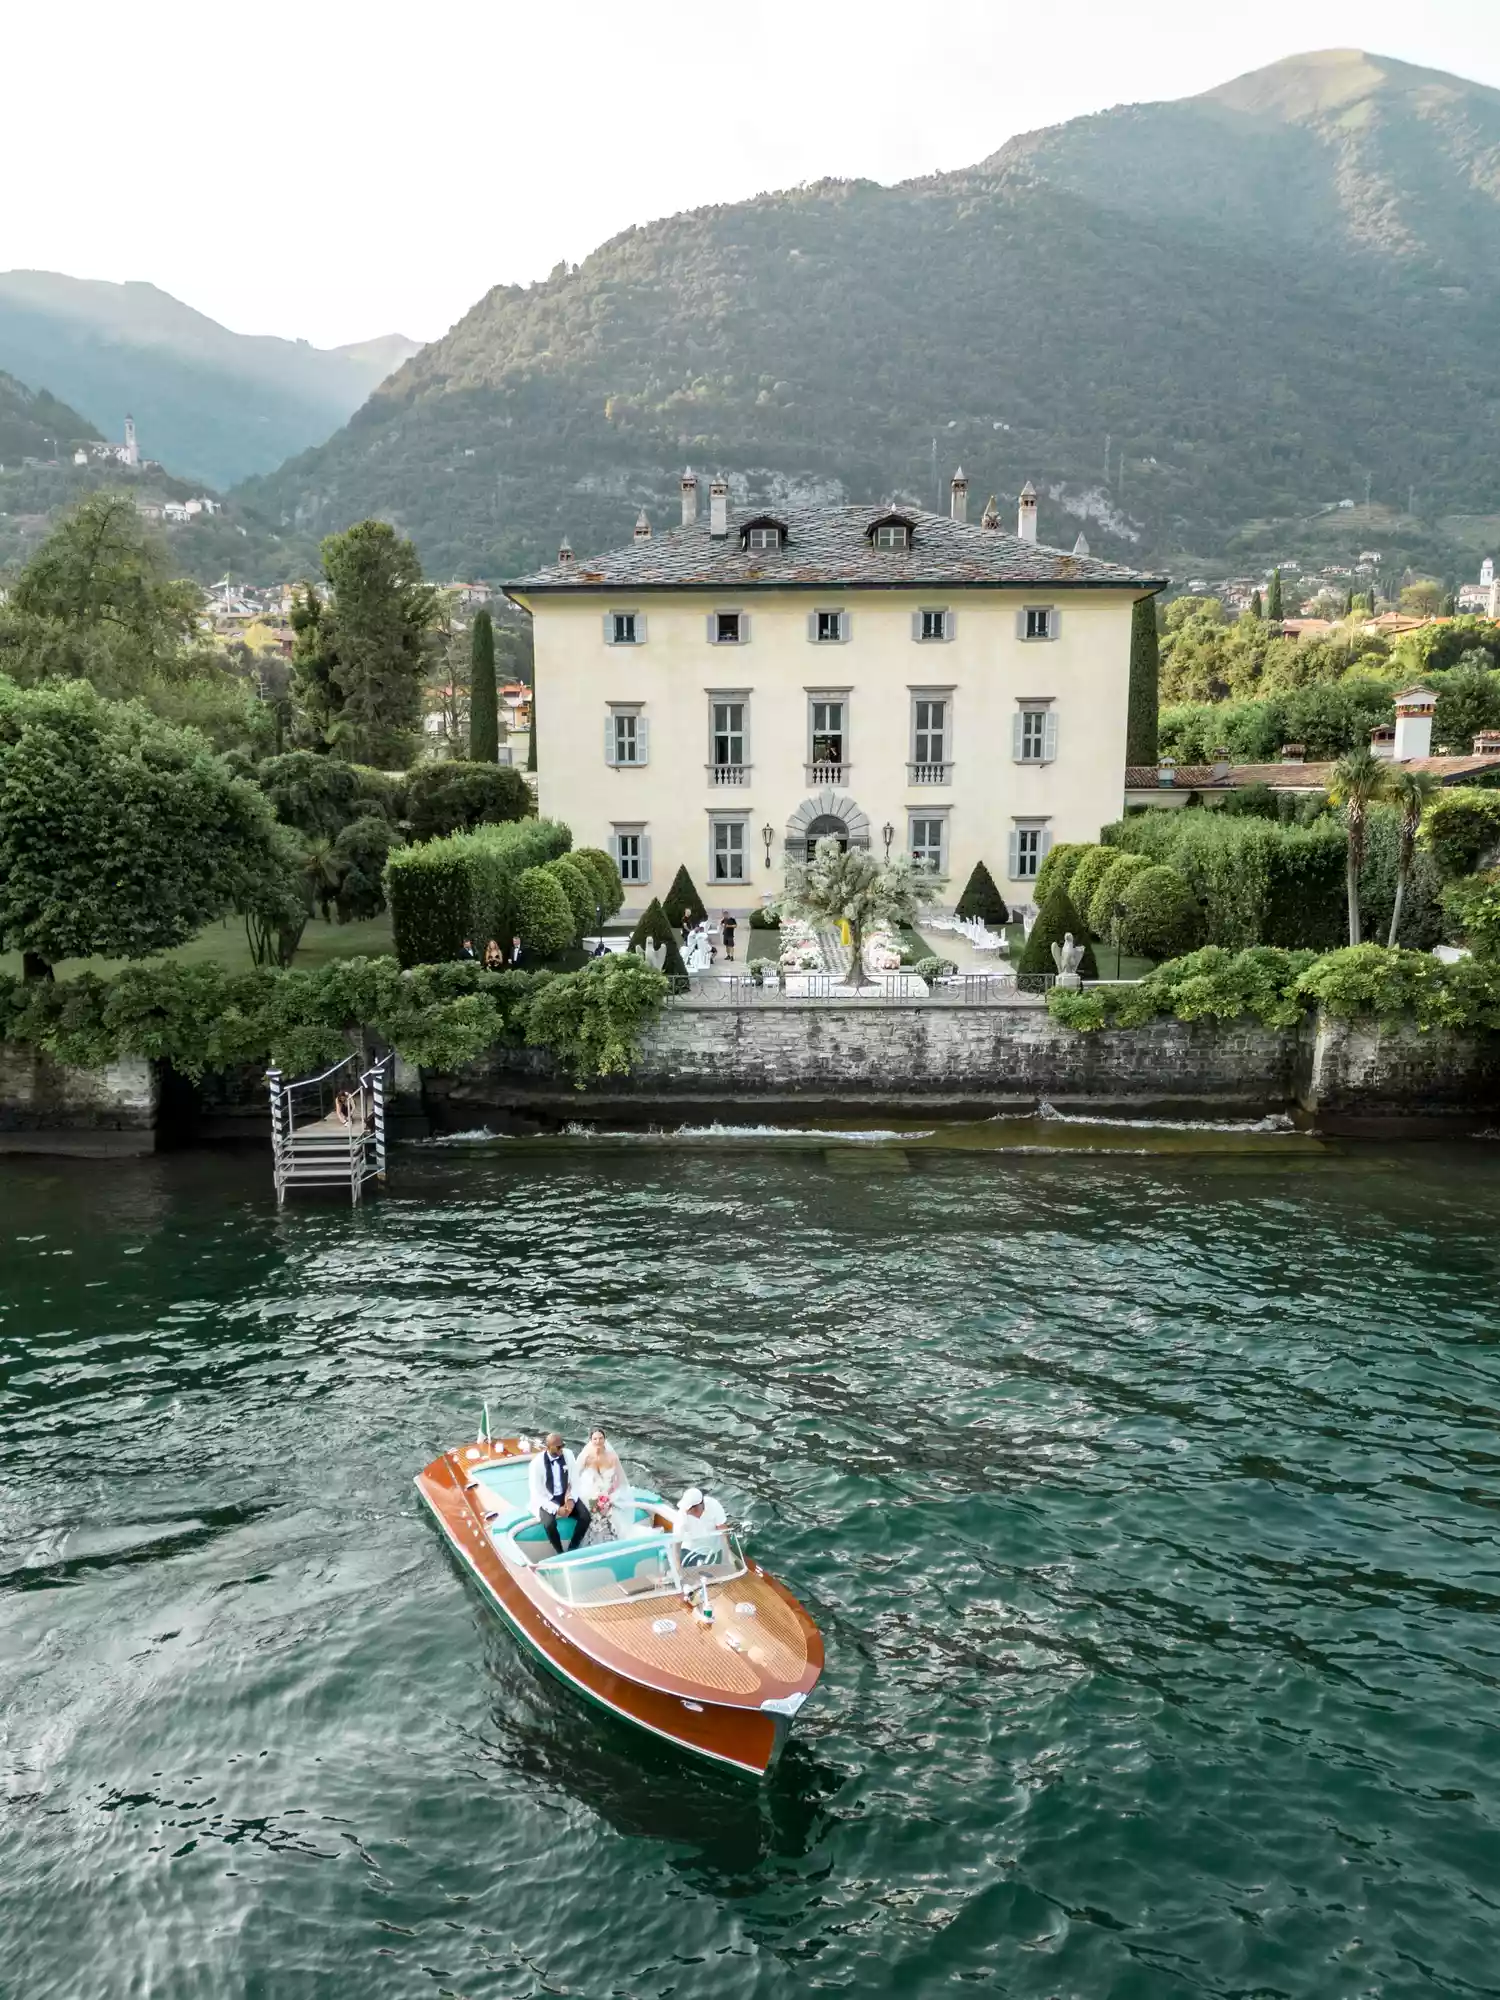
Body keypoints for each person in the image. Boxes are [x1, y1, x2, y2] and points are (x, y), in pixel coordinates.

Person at [527, 1432, 590, 1555]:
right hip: (547, 1499)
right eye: (558, 1447)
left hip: (565, 1494)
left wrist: (571, 1499)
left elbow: (575, 1480)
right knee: (549, 1524)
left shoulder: (569, 1455)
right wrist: (556, 1509)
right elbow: (537, 1494)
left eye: (563, 1445)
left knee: (585, 1517)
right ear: (548, 1447)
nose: (562, 1449)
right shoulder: (536, 1464)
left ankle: (573, 1548)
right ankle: (560, 1552)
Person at [576, 1427, 632, 1543]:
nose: (598, 1441)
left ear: (605, 1439)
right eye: (595, 1439)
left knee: (612, 1512)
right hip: (589, 1493)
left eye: (601, 1438)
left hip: (609, 1492)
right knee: (593, 1515)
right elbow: (575, 1475)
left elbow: (618, 1479)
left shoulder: (612, 1457)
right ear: (590, 1440)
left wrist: (609, 1493)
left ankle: (614, 1540)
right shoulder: (586, 1457)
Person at [672, 1485, 729, 1577]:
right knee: (690, 1578)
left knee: (716, 1577)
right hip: (690, 1550)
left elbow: (723, 1529)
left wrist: (727, 1555)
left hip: (714, 1549)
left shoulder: (714, 1505)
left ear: (700, 1505)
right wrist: (678, 1567)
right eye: (687, 1510)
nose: (687, 1512)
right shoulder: (681, 1516)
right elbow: (676, 1543)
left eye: (691, 1509)